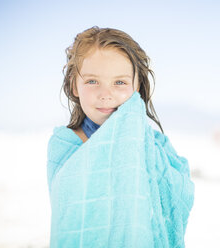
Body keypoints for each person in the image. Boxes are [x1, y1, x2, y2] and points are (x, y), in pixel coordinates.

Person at [46, 26, 195, 247]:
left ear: (136, 87)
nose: (106, 94)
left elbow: (181, 194)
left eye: (120, 82)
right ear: (74, 85)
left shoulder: (154, 145)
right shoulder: (65, 145)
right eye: (92, 81)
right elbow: (67, 217)